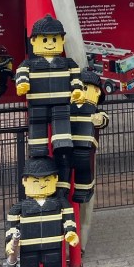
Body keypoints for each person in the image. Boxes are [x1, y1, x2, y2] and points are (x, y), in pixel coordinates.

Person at [5, 157, 79, 267]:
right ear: (25, 181)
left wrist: (70, 232)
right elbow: (12, 228)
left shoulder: (59, 203)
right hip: (28, 247)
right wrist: (10, 243)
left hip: (52, 245)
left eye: (46, 180)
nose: (41, 184)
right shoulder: (19, 207)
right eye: (36, 181)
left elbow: (69, 219)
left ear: (55, 179)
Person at [15, 15, 85, 157]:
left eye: (54, 39)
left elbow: (76, 77)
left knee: (61, 124)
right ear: (34, 40)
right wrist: (22, 83)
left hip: (61, 103)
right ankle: (37, 149)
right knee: (37, 125)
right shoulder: (28, 64)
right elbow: (21, 73)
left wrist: (77, 89)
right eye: (45, 39)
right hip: (37, 104)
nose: (50, 43)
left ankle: (62, 144)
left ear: (62, 40)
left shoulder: (68, 63)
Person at [55, 67, 108, 204]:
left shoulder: (94, 110)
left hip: (85, 143)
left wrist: (101, 119)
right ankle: (62, 189)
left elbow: (104, 119)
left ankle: (84, 190)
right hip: (67, 142)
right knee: (63, 164)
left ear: (96, 92)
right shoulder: (68, 108)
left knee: (83, 166)